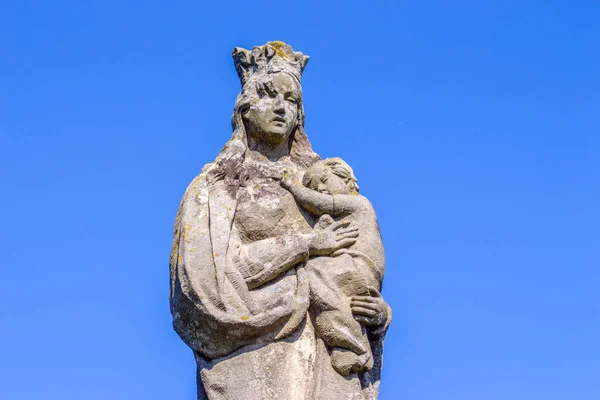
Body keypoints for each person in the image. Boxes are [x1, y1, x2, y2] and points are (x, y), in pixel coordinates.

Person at [170, 41, 391, 400]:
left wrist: (376, 316)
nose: (280, 108)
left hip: (329, 358)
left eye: (291, 101)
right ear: (244, 106)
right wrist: (304, 245)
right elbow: (209, 280)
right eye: (269, 94)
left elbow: (356, 264)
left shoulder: (323, 180)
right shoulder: (217, 185)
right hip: (256, 358)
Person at [280, 158, 386, 377]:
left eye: (325, 180)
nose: (320, 188)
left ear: (346, 178)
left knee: (315, 274)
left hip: (356, 266)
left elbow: (321, 204)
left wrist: (293, 186)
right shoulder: (343, 215)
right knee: (325, 291)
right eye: (314, 186)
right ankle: (345, 344)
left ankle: (352, 344)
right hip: (353, 269)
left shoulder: (359, 203)